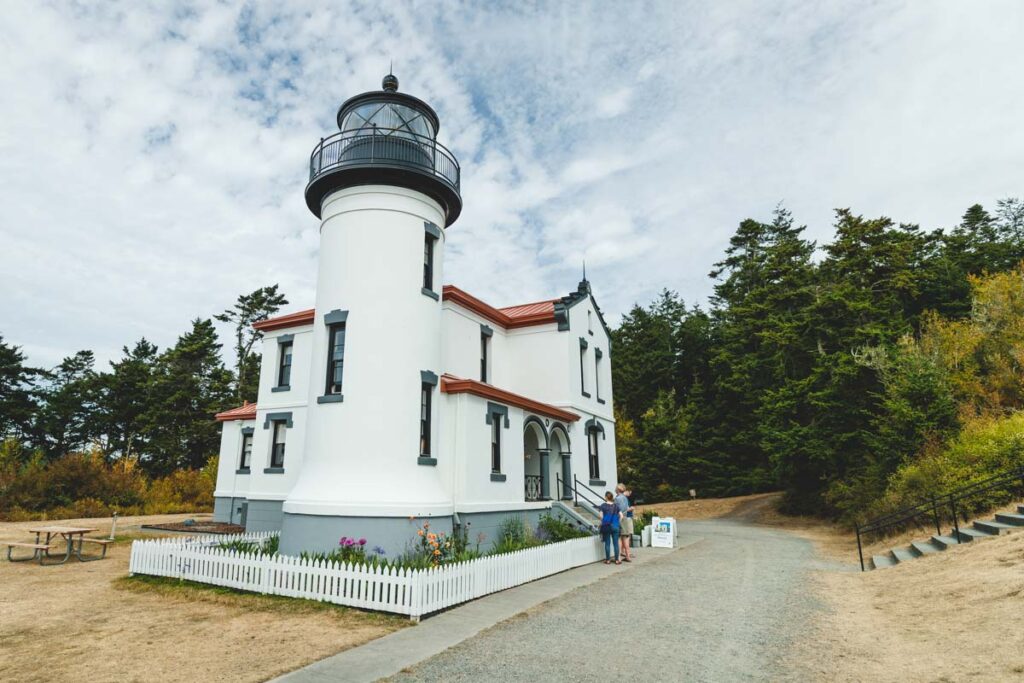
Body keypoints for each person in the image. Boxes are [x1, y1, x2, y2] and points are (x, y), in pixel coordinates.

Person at [598, 491, 621, 564]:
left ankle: (608, 560)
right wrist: (617, 522)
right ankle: (617, 560)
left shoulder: (603, 506)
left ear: (606, 497)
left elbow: (600, 516)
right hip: (615, 526)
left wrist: (603, 521)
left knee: (607, 543)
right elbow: (621, 516)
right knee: (616, 543)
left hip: (606, 526)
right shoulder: (616, 506)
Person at [614, 484, 633, 562]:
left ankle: (619, 558)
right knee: (625, 538)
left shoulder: (617, 499)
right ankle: (628, 556)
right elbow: (627, 508)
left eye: (616, 488)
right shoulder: (625, 498)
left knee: (618, 539)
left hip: (619, 518)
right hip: (625, 518)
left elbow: (616, 510)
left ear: (618, 490)